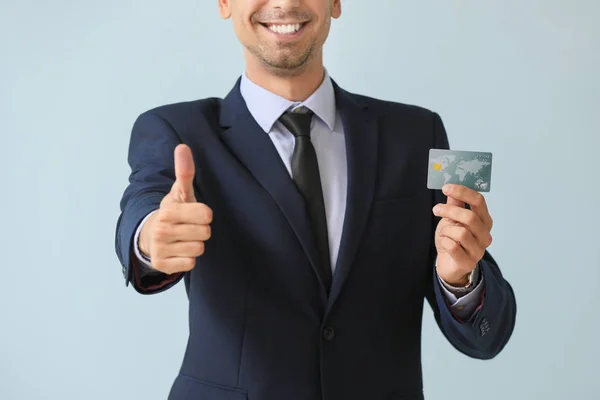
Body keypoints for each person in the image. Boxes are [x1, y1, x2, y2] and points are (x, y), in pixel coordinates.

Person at [114, 1, 517, 399]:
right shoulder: (176, 131)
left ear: (335, 3)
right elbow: (145, 202)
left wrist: (460, 278)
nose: (286, 3)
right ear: (224, 3)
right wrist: (150, 238)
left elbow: (487, 338)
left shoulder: (417, 135)